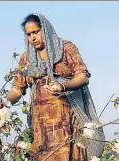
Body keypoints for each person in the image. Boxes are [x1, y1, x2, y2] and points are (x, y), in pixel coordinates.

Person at [6, 13, 105, 161]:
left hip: (68, 120)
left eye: (36, 32)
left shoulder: (65, 49)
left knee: (71, 154)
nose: (32, 38)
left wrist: (63, 86)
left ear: (45, 29)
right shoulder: (27, 59)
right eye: (28, 34)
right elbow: (17, 89)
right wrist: (4, 103)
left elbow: (83, 76)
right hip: (42, 125)